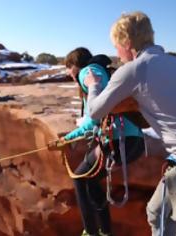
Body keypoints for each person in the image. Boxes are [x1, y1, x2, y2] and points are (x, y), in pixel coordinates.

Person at [85, 11, 176, 236]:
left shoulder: (133, 70)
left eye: (116, 46)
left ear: (127, 42)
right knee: (156, 212)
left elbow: (96, 111)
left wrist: (92, 85)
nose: (116, 54)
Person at [58, 47, 145, 236]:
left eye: (68, 67)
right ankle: (105, 232)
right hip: (134, 140)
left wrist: (67, 138)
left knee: (80, 178)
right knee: (91, 181)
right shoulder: (101, 70)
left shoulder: (86, 73)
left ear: (75, 65)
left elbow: (94, 118)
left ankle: (91, 232)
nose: (67, 73)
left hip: (121, 141)